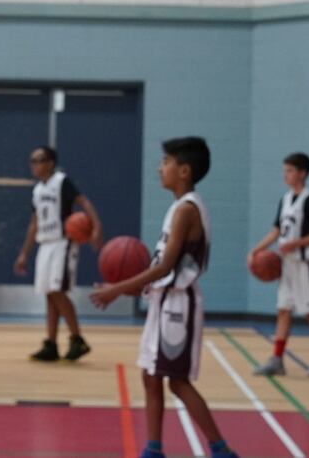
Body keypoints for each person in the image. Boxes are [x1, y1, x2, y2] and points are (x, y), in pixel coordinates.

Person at [90, 137, 238, 458]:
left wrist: (117, 289)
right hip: (166, 301)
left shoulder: (187, 210)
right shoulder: (178, 207)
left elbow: (168, 266)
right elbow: (163, 268)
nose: (160, 168)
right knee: (151, 375)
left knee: (178, 382)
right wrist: (127, 287)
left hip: (179, 306)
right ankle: (154, 449)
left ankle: (221, 449)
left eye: (166, 162)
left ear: (184, 170)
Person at [14, 146, 102, 361]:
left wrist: (96, 227)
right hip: (45, 244)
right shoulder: (37, 190)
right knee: (49, 293)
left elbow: (84, 202)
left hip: (64, 242)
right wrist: (24, 253)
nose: (34, 164)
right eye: (32, 160)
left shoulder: (62, 181)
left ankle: (77, 339)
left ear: (50, 162)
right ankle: (51, 343)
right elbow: (34, 223)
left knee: (57, 290)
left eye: (39, 160)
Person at [248, 152, 309, 377]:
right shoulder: (286, 199)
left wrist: (296, 243)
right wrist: (257, 249)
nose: (285, 175)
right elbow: (277, 230)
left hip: (306, 264)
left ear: (303, 173)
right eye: (285, 170)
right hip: (288, 265)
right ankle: (277, 359)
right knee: (283, 310)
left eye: (289, 170)